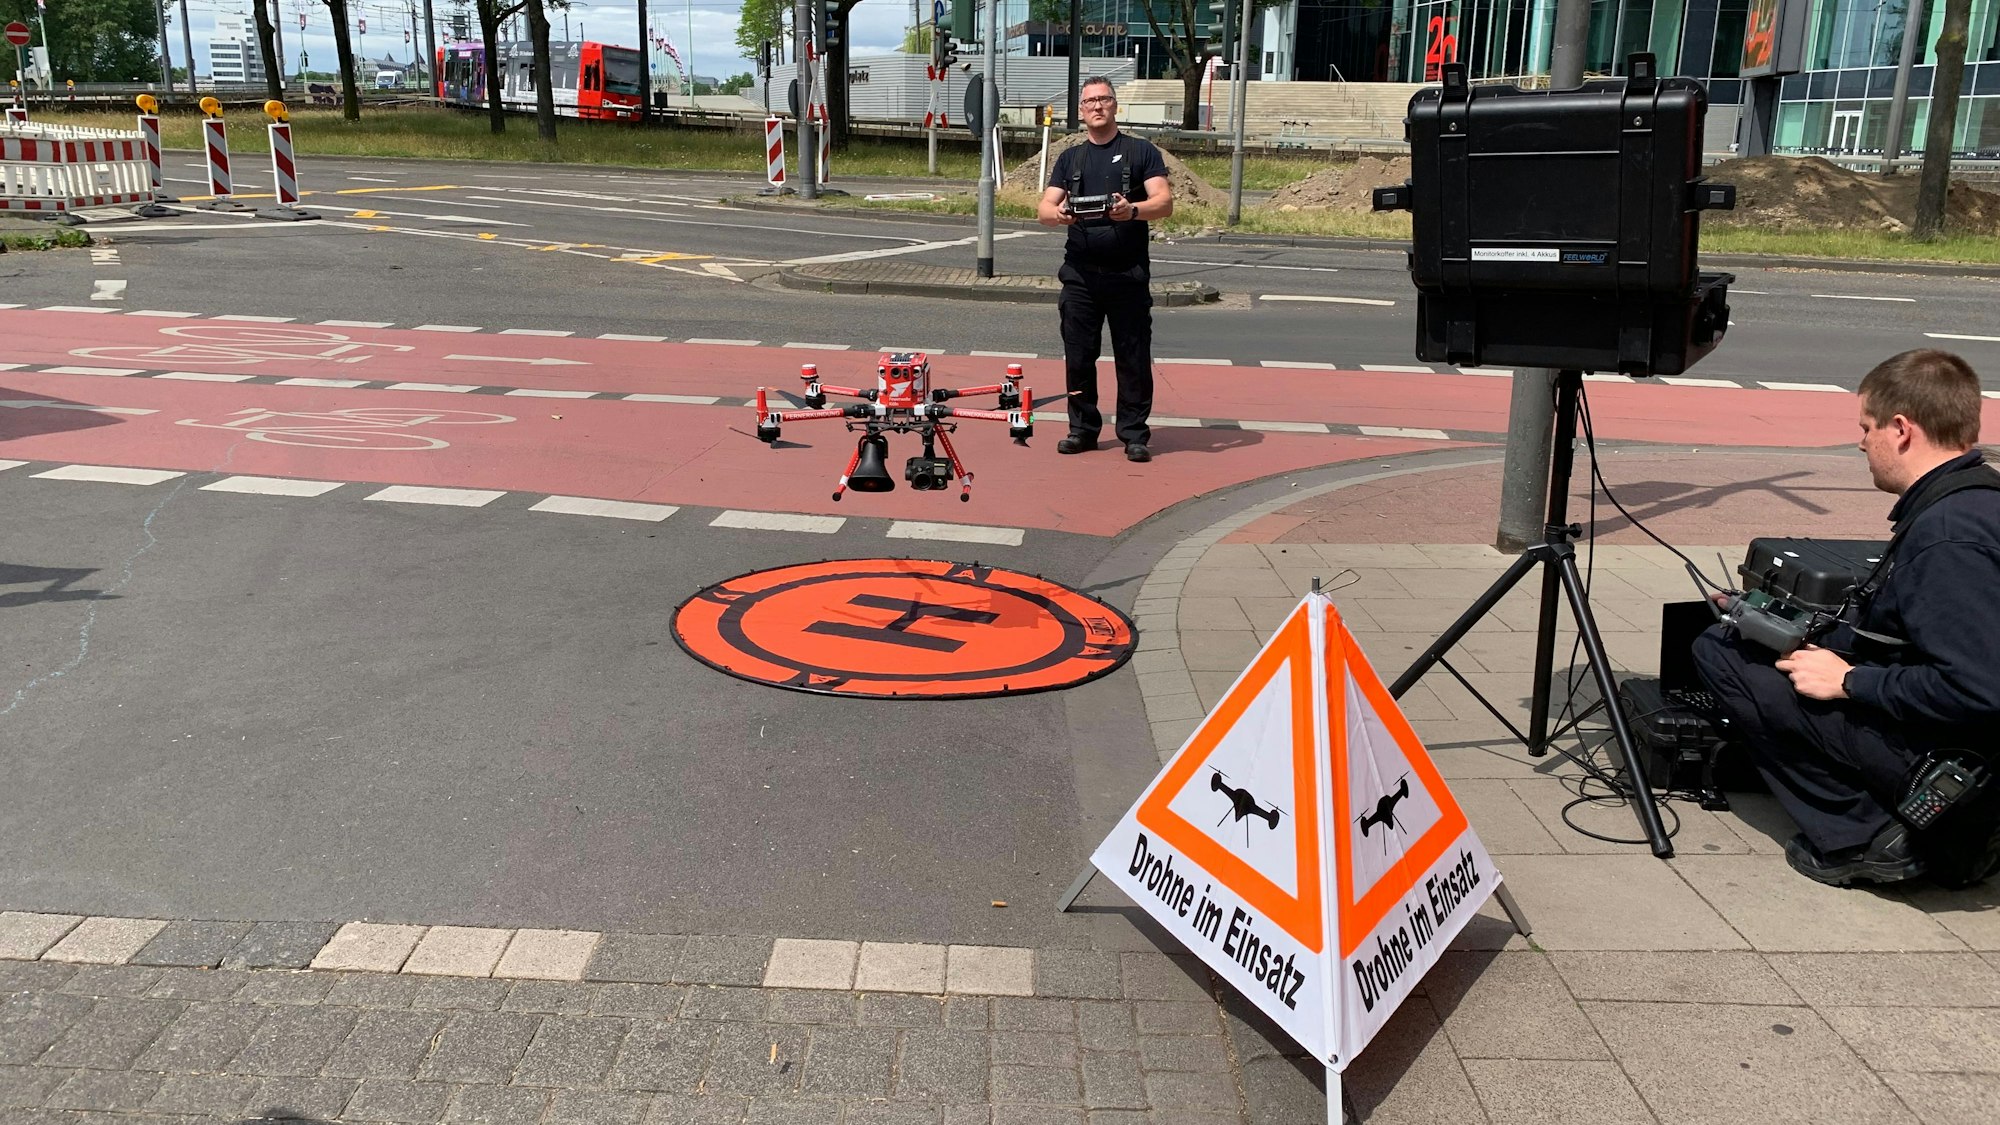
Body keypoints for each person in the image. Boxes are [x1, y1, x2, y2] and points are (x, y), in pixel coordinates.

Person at [1693, 349, 2000, 887]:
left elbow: (1978, 689)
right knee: (1757, 641)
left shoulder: (1948, 535)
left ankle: (1867, 837)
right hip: (1964, 740)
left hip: (1958, 761)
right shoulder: (1976, 501)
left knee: (1721, 654)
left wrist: (1851, 682)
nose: (1861, 442)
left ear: (1901, 429)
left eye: (1867, 427)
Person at [1037, 76, 1173, 463]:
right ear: (1081, 111)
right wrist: (1060, 215)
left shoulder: (1140, 151)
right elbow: (1044, 209)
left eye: (1105, 100)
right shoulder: (1071, 158)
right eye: (1090, 101)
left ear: (1115, 106)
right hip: (1080, 275)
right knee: (1079, 356)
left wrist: (1132, 211)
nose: (1097, 106)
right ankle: (1082, 430)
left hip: (1127, 273)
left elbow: (1163, 202)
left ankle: (1133, 433)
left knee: (1132, 356)